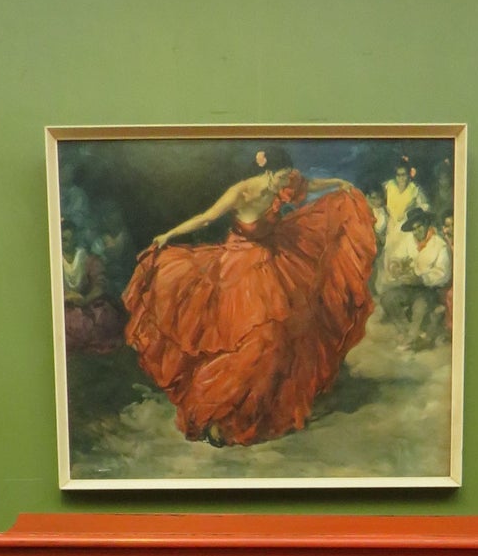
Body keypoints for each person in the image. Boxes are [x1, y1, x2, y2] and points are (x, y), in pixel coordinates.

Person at [122, 148, 377, 446]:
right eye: (282, 176)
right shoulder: (240, 192)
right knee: (251, 339)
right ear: (268, 172)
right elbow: (206, 218)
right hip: (239, 264)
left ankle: (258, 408)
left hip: (275, 255)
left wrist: (337, 182)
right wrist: (168, 235)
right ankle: (216, 412)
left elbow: (308, 185)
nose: (286, 182)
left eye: (287, 177)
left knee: (285, 331)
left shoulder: (287, 182)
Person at [386, 208, 452, 347]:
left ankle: (411, 338)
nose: (417, 231)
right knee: (388, 299)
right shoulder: (409, 240)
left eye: (419, 226)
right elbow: (397, 256)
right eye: (414, 229)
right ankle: (409, 333)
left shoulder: (440, 245)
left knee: (420, 306)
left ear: (427, 223)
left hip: (429, 289)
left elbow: (443, 274)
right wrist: (396, 265)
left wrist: (421, 278)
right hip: (409, 287)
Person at [60, 222, 125, 355]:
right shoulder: (53, 261)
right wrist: (67, 297)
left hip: (88, 303)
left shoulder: (88, 259)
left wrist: (84, 300)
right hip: (65, 306)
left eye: (69, 239)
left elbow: (99, 286)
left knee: (103, 317)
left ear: (76, 239)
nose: (65, 243)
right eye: (62, 240)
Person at [381, 155, 428, 286]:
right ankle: (390, 286)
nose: (401, 178)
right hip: (391, 227)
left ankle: (405, 285)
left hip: (406, 228)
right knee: (390, 256)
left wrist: (411, 213)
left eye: (404, 175)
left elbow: (424, 206)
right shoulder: (388, 186)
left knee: (406, 257)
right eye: (399, 175)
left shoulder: (415, 189)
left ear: (409, 175)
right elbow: (379, 201)